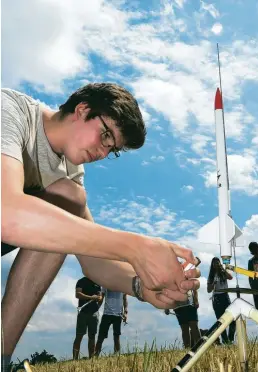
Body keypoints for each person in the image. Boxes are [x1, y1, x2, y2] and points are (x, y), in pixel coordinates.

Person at [1, 83, 201, 370]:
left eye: (112, 148)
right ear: (82, 109)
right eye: (105, 135)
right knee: (68, 198)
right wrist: (137, 247)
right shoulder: (10, 110)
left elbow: (94, 263)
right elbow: (7, 213)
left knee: (71, 198)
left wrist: (143, 287)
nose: (103, 152)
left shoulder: (70, 172)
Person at [207, 257, 236, 345]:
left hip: (225, 296)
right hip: (216, 298)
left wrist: (223, 269)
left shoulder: (223, 273)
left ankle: (230, 338)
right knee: (221, 321)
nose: (216, 264)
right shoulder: (211, 276)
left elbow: (230, 277)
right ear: (212, 265)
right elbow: (208, 290)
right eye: (214, 263)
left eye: (218, 262)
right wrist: (213, 284)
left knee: (232, 319)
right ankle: (225, 340)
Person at [73, 277, 103, 360]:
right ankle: (75, 359)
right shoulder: (81, 281)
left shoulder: (97, 282)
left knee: (92, 336)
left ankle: (91, 359)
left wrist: (99, 298)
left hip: (94, 313)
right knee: (79, 336)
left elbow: (100, 296)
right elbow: (78, 294)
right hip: (83, 312)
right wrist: (91, 297)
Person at [95, 289, 128, 356]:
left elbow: (125, 299)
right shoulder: (106, 283)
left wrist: (125, 312)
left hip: (118, 314)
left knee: (116, 335)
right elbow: (102, 298)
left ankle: (117, 354)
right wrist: (96, 309)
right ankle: (96, 354)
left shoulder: (122, 285)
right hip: (107, 314)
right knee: (101, 336)